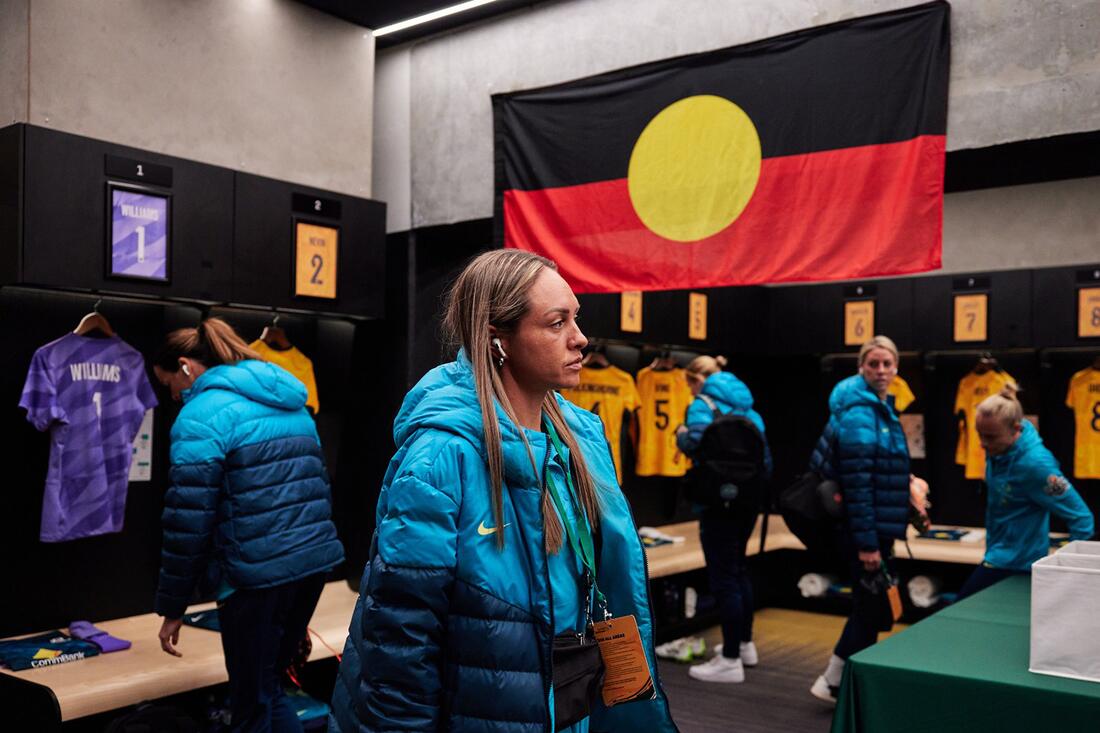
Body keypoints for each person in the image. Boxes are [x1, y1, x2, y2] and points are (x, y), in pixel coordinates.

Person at [329, 250, 676, 733]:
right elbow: (400, 641)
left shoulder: (578, 440)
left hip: (571, 706)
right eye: (557, 323)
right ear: (499, 340)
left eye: (576, 318)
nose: (580, 338)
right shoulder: (440, 458)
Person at [151, 318, 345, 733]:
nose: (171, 395)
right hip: (310, 567)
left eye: (168, 383)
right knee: (268, 689)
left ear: (185, 367)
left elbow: (188, 522)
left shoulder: (199, 416)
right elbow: (318, 486)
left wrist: (173, 607)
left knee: (250, 707)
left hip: (254, 576)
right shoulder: (289, 400)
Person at [810, 336, 913, 704]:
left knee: (871, 607)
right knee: (870, 607)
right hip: (863, 531)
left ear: (896, 367)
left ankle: (848, 683)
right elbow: (858, 485)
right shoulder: (859, 413)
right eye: (873, 364)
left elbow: (880, 471)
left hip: (877, 526)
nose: (881, 370)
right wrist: (868, 544)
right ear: (861, 368)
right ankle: (833, 680)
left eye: (887, 363)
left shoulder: (880, 408)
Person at [674, 355, 770, 683]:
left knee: (723, 578)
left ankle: (729, 660)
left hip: (716, 503)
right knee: (739, 570)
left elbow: (695, 444)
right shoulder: (749, 407)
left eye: (690, 385)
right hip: (748, 502)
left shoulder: (701, 405)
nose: (691, 392)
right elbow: (766, 459)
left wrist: (681, 434)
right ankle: (743, 645)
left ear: (698, 380)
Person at [957, 385, 1094, 598]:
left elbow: (1082, 518)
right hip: (997, 555)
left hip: (1019, 566)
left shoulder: (1036, 466)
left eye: (990, 437)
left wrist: (1068, 573)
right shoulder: (1000, 449)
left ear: (1016, 429)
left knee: (961, 609)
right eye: (980, 435)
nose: (983, 444)